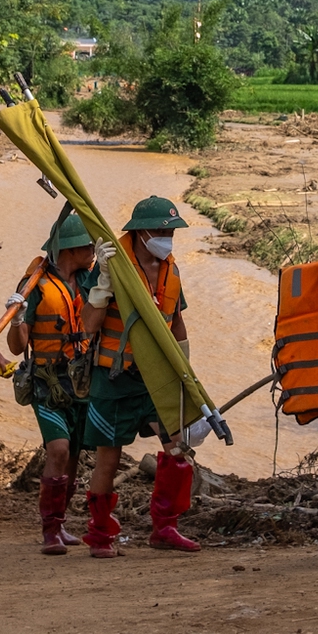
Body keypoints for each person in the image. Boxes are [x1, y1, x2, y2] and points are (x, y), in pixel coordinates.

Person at [78, 196, 199, 558]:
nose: (167, 238)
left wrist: (186, 372)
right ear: (140, 233)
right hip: (115, 377)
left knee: (178, 449)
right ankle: (100, 535)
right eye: (161, 231)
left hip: (158, 377)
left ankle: (165, 528)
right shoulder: (114, 266)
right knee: (108, 459)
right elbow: (87, 326)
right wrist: (101, 286)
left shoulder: (171, 270)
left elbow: (176, 322)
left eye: (171, 231)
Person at [5, 212, 96, 554]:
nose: (93, 253)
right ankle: (49, 530)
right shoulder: (35, 286)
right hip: (48, 382)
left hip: (83, 379)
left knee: (73, 454)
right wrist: (16, 316)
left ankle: (60, 524)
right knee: (57, 450)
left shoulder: (89, 280)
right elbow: (17, 347)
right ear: (71, 249)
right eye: (88, 247)